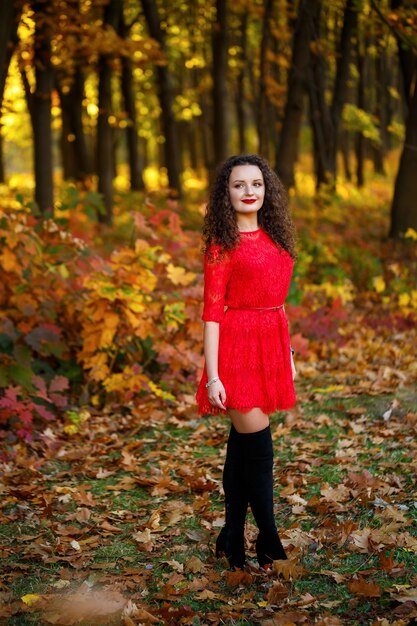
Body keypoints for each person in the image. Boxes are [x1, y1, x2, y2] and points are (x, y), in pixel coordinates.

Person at [196, 154, 297, 570]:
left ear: (266, 189)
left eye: (256, 184)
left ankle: (231, 537)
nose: (249, 191)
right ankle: (269, 541)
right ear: (226, 193)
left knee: (240, 451)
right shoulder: (222, 246)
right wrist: (213, 376)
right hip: (235, 350)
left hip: (269, 346)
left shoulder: (275, 237)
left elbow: (279, 301)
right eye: (239, 185)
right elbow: (212, 314)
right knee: (259, 449)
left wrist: (287, 355)